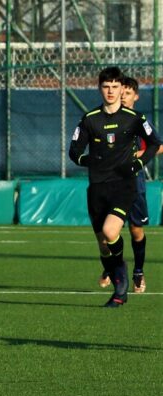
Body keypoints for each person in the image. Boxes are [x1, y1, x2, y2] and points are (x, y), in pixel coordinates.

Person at [69, 66, 161, 307]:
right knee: (103, 244)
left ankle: (121, 283)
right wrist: (87, 160)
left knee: (112, 232)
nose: (110, 91)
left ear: (122, 89)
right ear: (100, 88)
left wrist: (138, 162)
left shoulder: (135, 118)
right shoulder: (89, 120)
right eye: (106, 87)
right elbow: (74, 151)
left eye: (115, 87)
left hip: (124, 185)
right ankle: (118, 274)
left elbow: (155, 142)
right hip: (97, 187)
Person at [99, 76, 163, 293]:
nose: (122, 96)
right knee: (107, 233)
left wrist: (135, 154)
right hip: (109, 184)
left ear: (135, 96)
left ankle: (138, 272)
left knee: (136, 230)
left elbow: (159, 146)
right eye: (120, 92)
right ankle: (112, 268)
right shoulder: (105, 118)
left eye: (127, 93)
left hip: (134, 184)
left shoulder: (139, 120)